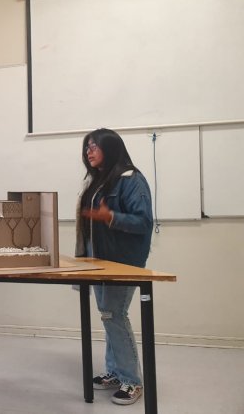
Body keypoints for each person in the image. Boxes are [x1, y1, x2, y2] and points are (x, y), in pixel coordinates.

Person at [75, 128, 153, 405]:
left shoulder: (131, 179)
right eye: (87, 147)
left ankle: (132, 380)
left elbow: (143, 222)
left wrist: (111, 217)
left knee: (114, 314)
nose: (89, 151)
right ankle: (115, 371)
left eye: (94, 146)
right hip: (97, 260)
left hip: (121, 261)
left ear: (110, 147)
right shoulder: (97, 180)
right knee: (108, 315)